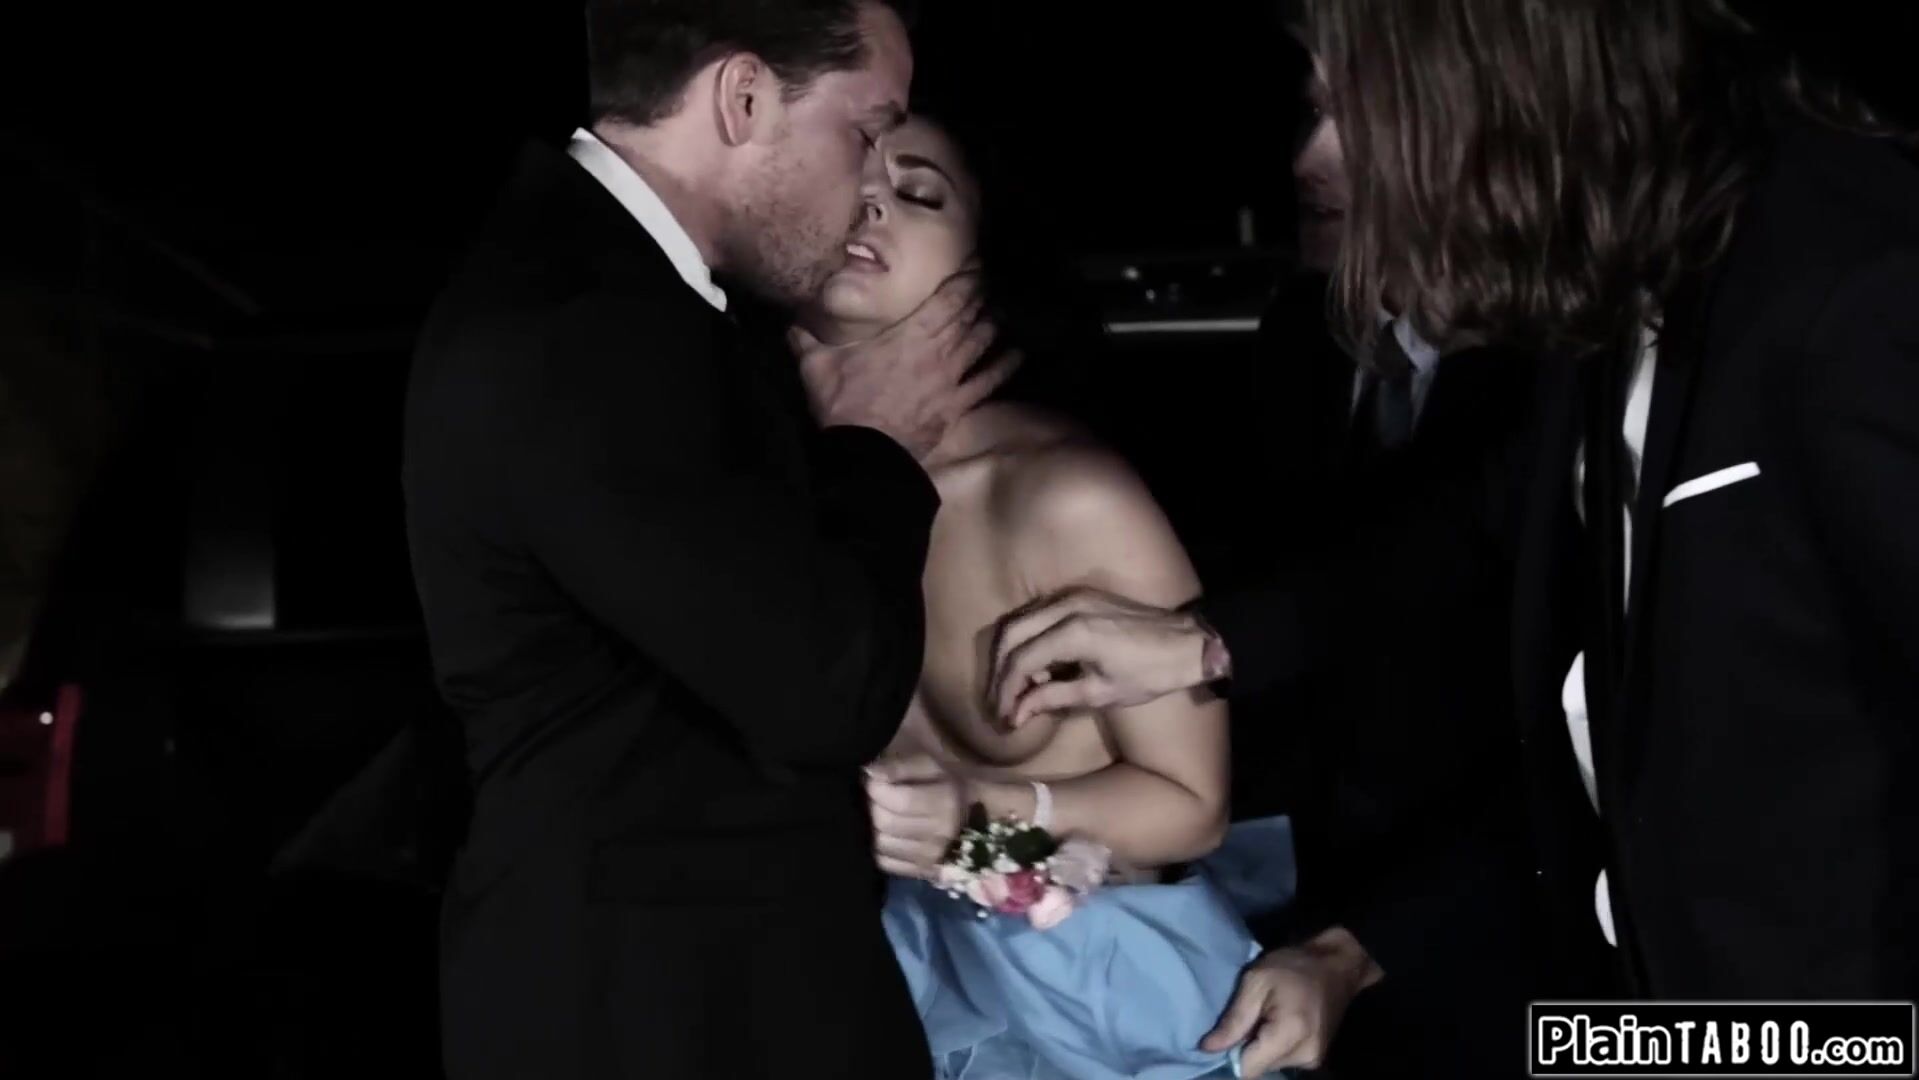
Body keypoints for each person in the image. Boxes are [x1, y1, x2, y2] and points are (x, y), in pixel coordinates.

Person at [991, 0, 1919, 1006]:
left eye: (1350, 111)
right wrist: (1206, 646)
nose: (1316, 160)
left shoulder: (1858, 284)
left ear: (1495, 83)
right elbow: (1473, 531)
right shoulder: (1620, 294)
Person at [402, 2, 1015, 1076]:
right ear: (742, 99)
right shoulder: (578, 328)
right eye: (866, 130)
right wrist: (876, 446)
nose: (871, 182)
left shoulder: (635, 300)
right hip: (657, 1017)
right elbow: (823, 688)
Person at [793, 112, 1292, 1080]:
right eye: (846, 170)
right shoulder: (762, 496)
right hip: (909, 988)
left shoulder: (1065, 498)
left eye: (918, 191)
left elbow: (1192, 805)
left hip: (1113, 1008)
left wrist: (979, 811)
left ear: (978, 268)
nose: (870, 200)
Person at [1188, 45, 1541, 1078]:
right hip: (1295, 917)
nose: (1307, 160)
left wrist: (1365, 943)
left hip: (1509, 953)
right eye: (1310, 115)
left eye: (1361, 124)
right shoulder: (1299, 333)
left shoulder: (1563, 371)